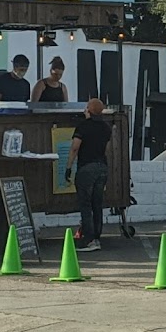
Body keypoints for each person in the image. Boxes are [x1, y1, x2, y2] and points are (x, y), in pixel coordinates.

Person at [65, 98, 112, 252]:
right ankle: (97, 238)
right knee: (97, 204)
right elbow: (106, 149)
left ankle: (88, 240)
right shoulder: (106, 128)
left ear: (88, 110)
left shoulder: (83, 126)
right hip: (102, 167)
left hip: (86, 168)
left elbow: (74, 148)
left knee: (85, 205)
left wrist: (68, 167)